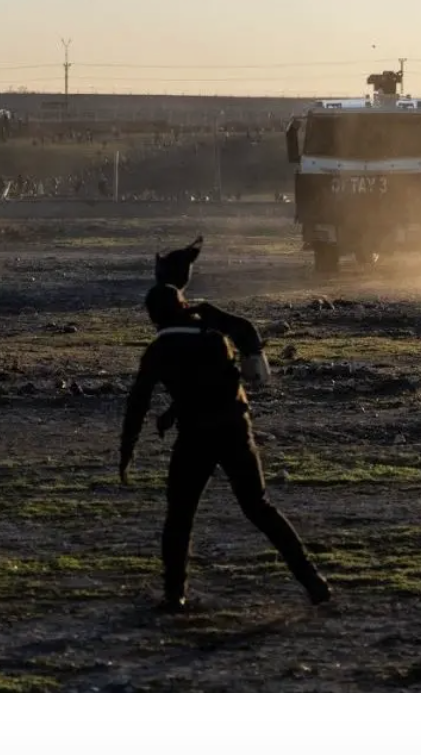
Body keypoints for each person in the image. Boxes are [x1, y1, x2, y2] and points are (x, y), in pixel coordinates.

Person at [117, 262, 330, 614]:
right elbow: (228, 379)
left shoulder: (159, 350)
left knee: (180, 515)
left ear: (154, 318)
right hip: (234, 431)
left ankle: (174, 594)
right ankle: (313, 581)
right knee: (259, 508)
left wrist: (128, 450)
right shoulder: (214, 338)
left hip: (196, 438)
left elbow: (138, 401)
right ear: (185, 306)